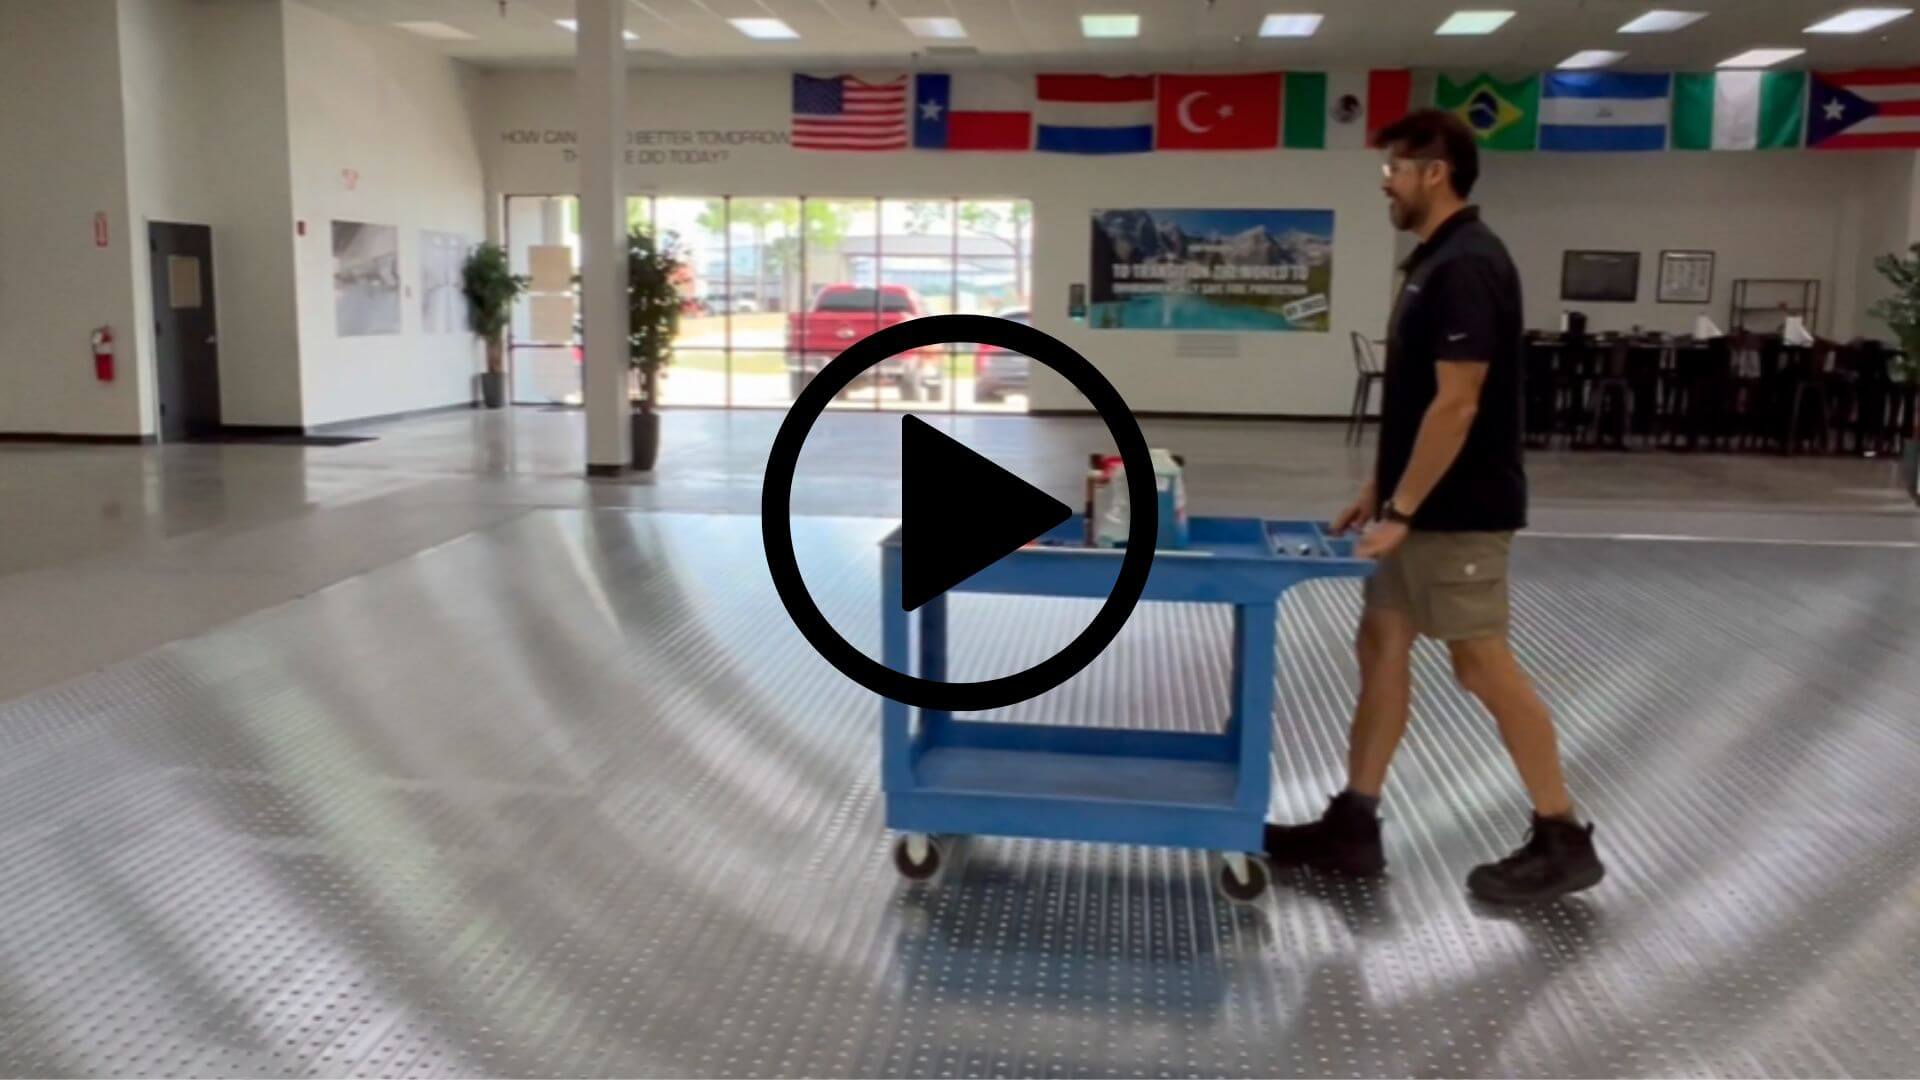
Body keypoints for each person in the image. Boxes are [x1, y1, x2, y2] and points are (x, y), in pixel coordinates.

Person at [1265, 109, 1605, 904]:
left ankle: (1562, 835)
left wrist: (1405, 509)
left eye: (1395, 167)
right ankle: (1355, 823)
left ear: (1436, 171)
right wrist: (1376, 495)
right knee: (1381, 644)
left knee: (1480, 663)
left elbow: (1458, 404)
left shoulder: (1469, 265)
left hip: (1461, 513)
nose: (1386, 180)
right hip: (1417, 509)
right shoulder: (1432, 261)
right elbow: (1416, 402)